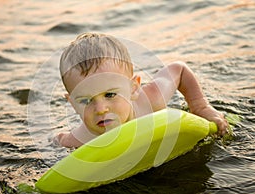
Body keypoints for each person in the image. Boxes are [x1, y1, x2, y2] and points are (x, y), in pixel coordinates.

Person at [56, 32, 228, 148]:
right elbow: (59, 140)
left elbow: (179, 69)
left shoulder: (151, 100)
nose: (101, 109)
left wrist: (200, 106)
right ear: (72, 103)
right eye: (86, 101)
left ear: (134, 88)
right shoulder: (81, 139)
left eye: (110, 94)